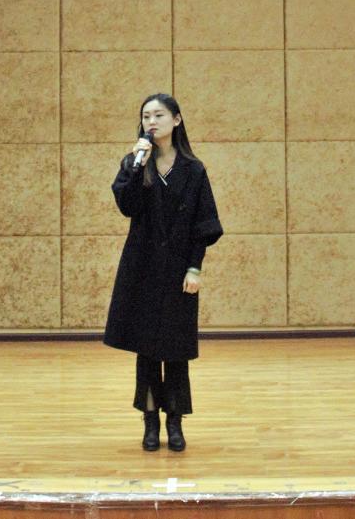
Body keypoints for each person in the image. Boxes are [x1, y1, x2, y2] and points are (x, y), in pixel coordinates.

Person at [103, 93, 223, 452]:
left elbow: (204, 225)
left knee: (176, 349)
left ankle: (175, 422)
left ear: (176, 119)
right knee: (147, 349)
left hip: (179, 271)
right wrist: (135, 167)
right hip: (141, 269)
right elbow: (127, 206)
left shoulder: (194, 170)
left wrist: (194, 268)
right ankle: (150, 421)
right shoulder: (134, 163)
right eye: (146, 116)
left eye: (158, 115)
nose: (151, 122)